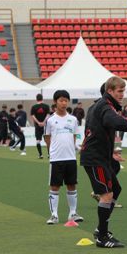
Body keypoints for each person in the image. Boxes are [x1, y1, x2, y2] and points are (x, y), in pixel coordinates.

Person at [80, 76, 127, 248]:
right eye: (119, 91)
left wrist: (111, 152)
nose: (122, 94)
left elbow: (96, 132)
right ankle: (101, 236)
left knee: (115, 189)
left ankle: (102, 231)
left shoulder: (98, 106)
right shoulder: (106, 107)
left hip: (100, 156)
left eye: (123, 91)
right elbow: (114, 122)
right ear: (109, 91)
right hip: (94, 159)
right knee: (107, 194)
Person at [44, 90, 82, 225]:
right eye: (61, 100)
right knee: (55, 186)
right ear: (55, 102)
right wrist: (51, 152)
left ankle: (73, 213)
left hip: (70, 157)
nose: (64, 103)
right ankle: (54, 215)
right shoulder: (50, 120)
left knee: (72, 185)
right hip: (56, 158)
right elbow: (47, 137)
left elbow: (75, 136)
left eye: (66, 100)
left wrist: (76, 147)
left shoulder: (73, 120)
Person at [31, 94, 50, 159]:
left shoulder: (34, 107)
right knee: (47, 140)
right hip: (46, 125)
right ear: (42, 98)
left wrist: (38, 122)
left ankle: (40, 155)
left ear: (36, 99)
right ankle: (49, 154)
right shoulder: (46, 106)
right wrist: (44, 122)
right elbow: (48, 115)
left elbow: (33, 116)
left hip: (37, 126)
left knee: (38, 141)